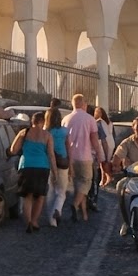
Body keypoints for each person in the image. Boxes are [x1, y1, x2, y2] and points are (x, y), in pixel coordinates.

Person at [9, 111, 57, 233]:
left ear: (32, 121)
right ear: (43, 121)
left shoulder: (24, 132)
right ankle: (35, 221)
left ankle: (28, 221)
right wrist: (55, 172)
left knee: (28, 196)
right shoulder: (47, 135)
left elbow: (13, 149)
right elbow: (51, 155)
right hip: (42, 167)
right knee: (40, 196)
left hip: (27, 166)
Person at [61, 94, 101, 222]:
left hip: (70, 157)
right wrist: (100, 155)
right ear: (84, 104)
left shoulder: (65, 119)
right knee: (86, 183)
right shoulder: (90, 119)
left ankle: (83, 214)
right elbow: (94, 140)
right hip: (85, 156)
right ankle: (75, 205)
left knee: (78, 186)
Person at [45, 107, 70, 228]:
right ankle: (58, 209)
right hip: (63, 161)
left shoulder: (46, 131)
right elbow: (68, 147)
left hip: (48, 162)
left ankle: (51, 220)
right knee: (61, 192)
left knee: (50, 191)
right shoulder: (65, 131)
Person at [94, 106, 115, 186]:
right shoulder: (109, 122)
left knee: (104, 161)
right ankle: (103, 179)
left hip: (104, 142)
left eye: (97, 112)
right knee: (105, 161)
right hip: (111, 141)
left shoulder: (99, 122)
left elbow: (102, 136)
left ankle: (108, 177)